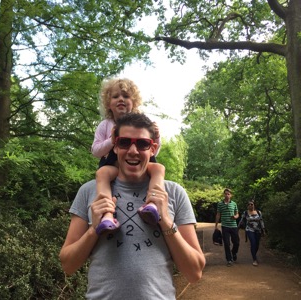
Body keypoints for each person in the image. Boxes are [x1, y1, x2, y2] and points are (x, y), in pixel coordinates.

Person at [60, 112, 205, 299]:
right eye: (124, 142)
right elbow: (68, 265)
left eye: (143, 144)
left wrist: (166, 221)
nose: (133, 150)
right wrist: (93, 230)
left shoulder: (175, 193)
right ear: (115, 147)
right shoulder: (89, 191)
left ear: (153, 149)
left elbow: (194, 273)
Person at [91, 78, 165, 235]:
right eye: (116, 96)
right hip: (113, 167)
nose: (121, 100)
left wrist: (156, 137)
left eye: (125, 96)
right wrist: (111, 141)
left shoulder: (143, 123)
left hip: (139, 168)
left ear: (134, 102)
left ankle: (151, 204)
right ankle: (107, 215)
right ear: (108, 103)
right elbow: (96, 151)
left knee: (158, 168)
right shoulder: (105, 125)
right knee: (102, 173)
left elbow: (153, 152)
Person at [215, 188, 240, 267]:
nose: (227, 195)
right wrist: (216, 225)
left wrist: (235, 217)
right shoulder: (220, 204)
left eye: (228, 194)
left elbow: (237, 213)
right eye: (226, 194)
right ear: (224, 194)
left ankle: (233, 253)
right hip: (225, 226)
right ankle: (229, 259)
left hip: (233, 226)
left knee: (236, 242)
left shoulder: (234, 204)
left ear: (231, 195)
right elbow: (218, 214)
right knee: (226, 243)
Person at [238, 200, 266, 266]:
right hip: (249, 229)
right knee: (253, 243)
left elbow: (261, 221)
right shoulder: (245, 213)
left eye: (252, 204)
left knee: (257, 245)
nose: (251, 205)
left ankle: (254, 255)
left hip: (258, 230)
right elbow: (241, 220)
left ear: (254, 205)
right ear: (247, 206)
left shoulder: (259, 212)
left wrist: (263, 230)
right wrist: (237, 228)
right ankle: (254, 259)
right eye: (249, 204)